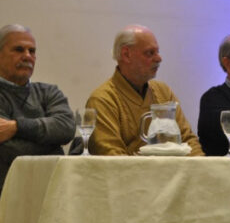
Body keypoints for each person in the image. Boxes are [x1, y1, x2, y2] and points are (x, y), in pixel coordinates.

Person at [86, 25, 203, 156]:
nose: (159, 58)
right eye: (150, 53)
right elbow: (112, 157)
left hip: (172, 173)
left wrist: (201, 167)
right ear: (126, 54)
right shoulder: (102, 100)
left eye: (158, 52)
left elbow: (188, 140)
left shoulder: (164, 92)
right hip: (133, 175)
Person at [0, 24, 75, 192]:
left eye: (32, 51)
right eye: (18, 50)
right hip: (8, 193)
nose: (27, 56)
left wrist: (16, 127)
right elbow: (10, 152)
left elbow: (66, 128)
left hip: (52, 191)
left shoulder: (49, 92)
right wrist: (53, 146)